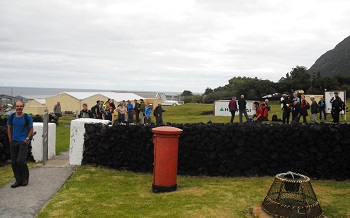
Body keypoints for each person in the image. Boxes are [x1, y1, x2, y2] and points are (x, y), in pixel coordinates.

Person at [7, 101, 34, 188]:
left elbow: (31, 129)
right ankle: (18, 180)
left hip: (23, 141)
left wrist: (26, 139)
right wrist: (10, 140)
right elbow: (9, 128)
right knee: (14, 162)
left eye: (21, 106)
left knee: (21, 161)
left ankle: (25, 178)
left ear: (23, 107)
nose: (19, 107)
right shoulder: (11, 117)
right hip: (14, 141)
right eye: (17, 106)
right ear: (15, 107)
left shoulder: (27, 117)